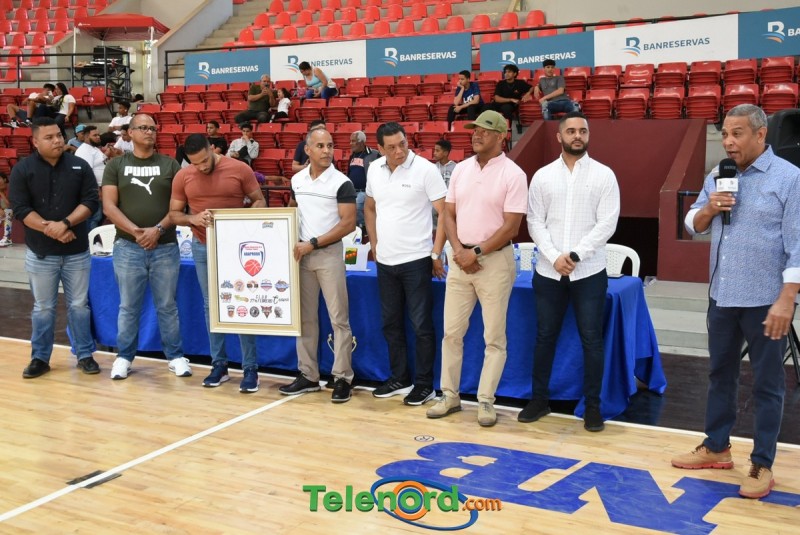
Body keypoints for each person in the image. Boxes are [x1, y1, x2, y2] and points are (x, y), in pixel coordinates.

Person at [671, 104, 800, 499]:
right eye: (725, 133)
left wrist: (787, 298)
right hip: (722, 296)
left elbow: (798, 245)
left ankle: (762, 463)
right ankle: (716, 446)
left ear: (761, 134)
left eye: (737, 133)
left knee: (768, 384)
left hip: (766, 300)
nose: (728, 141)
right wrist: (711, 207)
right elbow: (692, 223)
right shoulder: (718, 174)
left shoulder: (789, 178)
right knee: (720, 375)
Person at [519, 111, 620, 432]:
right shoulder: (542, 176)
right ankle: (539, 400)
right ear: (559, 137)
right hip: (549, 272)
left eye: (583, 131)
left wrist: (575, 255)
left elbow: (607, 223)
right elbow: (534, 221)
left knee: (591, 339)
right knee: (544, 337)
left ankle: (593, 406)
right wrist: (553, 256)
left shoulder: (604, 175)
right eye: (571, 131)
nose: (578, 135)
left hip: (588, 271)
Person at [426, 110, 527, 427]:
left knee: (493, 336)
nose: (477, 134)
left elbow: (511, 227)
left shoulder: (513, 174)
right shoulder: (461, 169)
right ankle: (450, 396)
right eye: (475, 129)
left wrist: (477, 252)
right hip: (460, 259)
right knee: (451, 333)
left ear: (501, 136)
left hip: (494, 261)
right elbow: (448, 213)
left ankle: (486, 401)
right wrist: (458, 250)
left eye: (485, 130)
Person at [169, 134, 267, 393]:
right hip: (203, 245)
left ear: (212, 149)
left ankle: (250, 368)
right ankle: (219, 364)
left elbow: (259, 200)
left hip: (236, 247)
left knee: (242, 301)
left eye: (204, 160)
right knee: (211, 305)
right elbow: (174, 214)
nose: (201, 167)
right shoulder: (184, 176)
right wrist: (193, 219)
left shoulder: (239, 168)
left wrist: (242, 221)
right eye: (195, 163)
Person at [9, 117, 100, 378]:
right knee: (43, 308)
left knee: (79, 306)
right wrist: (53, 230)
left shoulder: (79, 165)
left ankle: (84, 354)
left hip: (77, 252)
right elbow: (21, 209)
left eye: (59, 135)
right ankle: (40, 357)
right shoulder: (23, 169)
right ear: (35, 142)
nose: (57, 140)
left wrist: (65, 224)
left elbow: (91, 201)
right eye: (49, 137)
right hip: (41, 253)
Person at [102, 114, 191, 381]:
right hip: (128, 246)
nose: (149, 132)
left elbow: (179, 207)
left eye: (153, 128)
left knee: (167, 306)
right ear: (129, 133)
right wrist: (136, 232)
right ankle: (124, 357)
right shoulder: (116, 165)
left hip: (165, 245)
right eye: (143, 128)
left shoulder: (170, 164)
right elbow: (109, 206)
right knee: (128, 306)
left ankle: (175, 356)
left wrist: (158, 230)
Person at [365, 122, 447, 406]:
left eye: (402, 144)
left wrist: (436, 253)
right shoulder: (374, 169)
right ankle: (399, 378)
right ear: (380, 149)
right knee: (391, 324)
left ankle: (425, 385)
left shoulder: (426, 169)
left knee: (421, 325)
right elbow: (370, 207)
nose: (399, 151)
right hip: (385, 262)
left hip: (416, 260)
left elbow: (445, 213)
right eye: (391, 147)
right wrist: (374, 244)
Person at [279, 128, 356, 403]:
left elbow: (348, 224)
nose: (327, 151)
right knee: (304, 319)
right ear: (307, 150)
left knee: (339, 319)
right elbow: (291, 210)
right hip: (302, 255)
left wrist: (312, 243)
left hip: (329, 255)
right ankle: (308, 375)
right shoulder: (297, 180)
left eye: (330, 145)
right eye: (321, 146)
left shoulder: (342, 182)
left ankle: (343, 377)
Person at [76, 127, 120, 231]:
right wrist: (96, 189)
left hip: (101, 187)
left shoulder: (94, 148)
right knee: (95, 216)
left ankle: (95, 236)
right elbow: (87, 172)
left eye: (98, 135)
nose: (98, 137)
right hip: (94, 188)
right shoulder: (84, 150)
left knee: (100, 215)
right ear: (87, 137)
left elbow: (99, 162)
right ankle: (91, 238)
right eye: (95, 135)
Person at [347, 130, 380, 234]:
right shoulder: (352, 156)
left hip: (365, 191)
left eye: (353, 141)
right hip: (353, 191)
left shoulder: (374, 154)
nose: (350, 143)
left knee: (356, 206)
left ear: (361, 142)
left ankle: (364, 227)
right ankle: (357, 229)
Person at [487, 64, 533, 133]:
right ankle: (485, 128)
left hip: (511, 105)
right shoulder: (501, 83)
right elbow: (497, 99)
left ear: (515, 74)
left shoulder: (520, 83)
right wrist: (510, 99)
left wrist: (528, 93)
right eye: (505, 72)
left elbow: (531, 88)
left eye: (509, 72)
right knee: (486, 107)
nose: (506, 74)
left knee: (506, 108)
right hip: (499, 104)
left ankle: (507, 130)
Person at [432, 139, 456, 233]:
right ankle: (435, 233)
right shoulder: (432, 168)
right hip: (436, 200)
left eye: (437, 150)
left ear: (445, 153)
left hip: (450, 200)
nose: (434, 153)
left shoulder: (456, 167)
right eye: (434, 150)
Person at [0, 172, 11, 247]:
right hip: (3, 211)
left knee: (8, 212)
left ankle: (7, 238)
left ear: (4, 179)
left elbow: (9, 205)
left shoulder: (10, 188)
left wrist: (1, 193)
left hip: (12, 210)